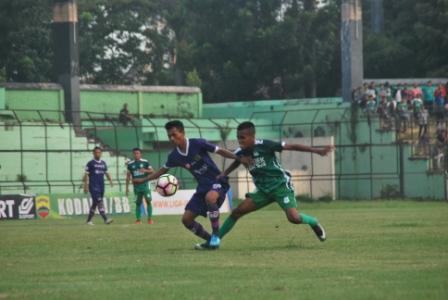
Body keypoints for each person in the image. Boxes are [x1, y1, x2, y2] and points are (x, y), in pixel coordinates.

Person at [132, 120, 251, 249]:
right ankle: (210, 240)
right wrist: (143, 180)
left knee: (210, 198)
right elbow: (162, 170)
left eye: (174, 134)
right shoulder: (174, 156)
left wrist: (237, 158)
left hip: (217, 181)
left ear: (182, 132)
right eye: (169, 136)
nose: (172, 138)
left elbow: (220, 151)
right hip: (202, 187)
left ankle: (216, 234)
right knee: (186, 220)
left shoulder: (197, 143)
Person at [217, 121, 333, 246]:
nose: (240, 141)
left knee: (293, 218)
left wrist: (317, 151)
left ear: (252, 137)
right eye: (238, 137)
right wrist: (225, 173)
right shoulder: (241, 151)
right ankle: (214, 240)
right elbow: (237, 160)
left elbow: (292, 147)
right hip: (263, 190)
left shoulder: (265, 145)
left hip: (280, 186)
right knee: (237, 212)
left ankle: (313, 222)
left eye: (242, 138)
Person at [83, 147, 114, 225]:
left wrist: (110, 180)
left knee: (95, 203)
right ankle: (105, 219)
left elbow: (106, 173)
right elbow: (86, 175)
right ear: (93, 153)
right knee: (99, 201)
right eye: (96, 152)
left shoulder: (103, 163)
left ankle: (88, 220)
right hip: (93, 186)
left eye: (99, 152)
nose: (98, 154)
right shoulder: (90, 163)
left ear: (101, 153)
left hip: (101, 186)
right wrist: (85, 186)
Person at [126, 148, 154, 224]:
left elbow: (152, 171)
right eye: (135, 153)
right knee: (138, 203)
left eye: (138, 153)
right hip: (136, 186)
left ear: (140, 154)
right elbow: (128, 176)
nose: (136, 155)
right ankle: (138, 220)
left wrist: (145, 170)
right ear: (133, 154)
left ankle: (150, 219)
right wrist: (127, 188)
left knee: (148, 200)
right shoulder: (130, 164)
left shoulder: (145, 162)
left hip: (145, 185)